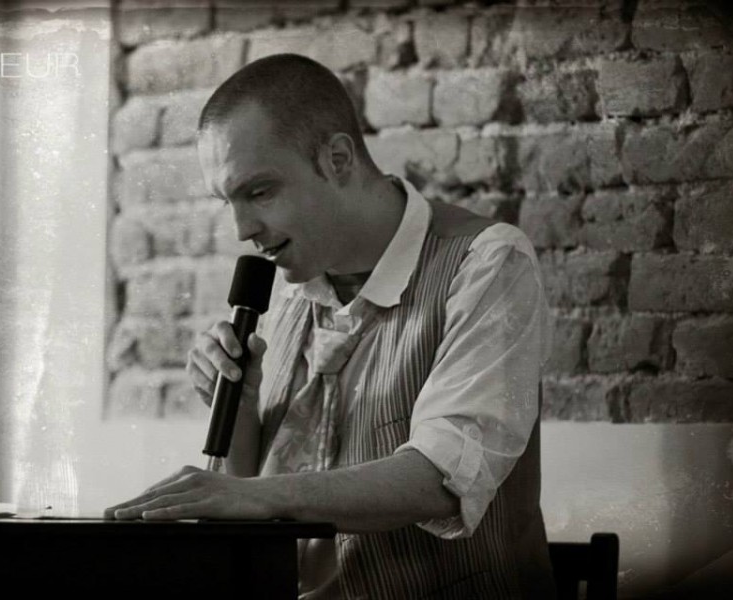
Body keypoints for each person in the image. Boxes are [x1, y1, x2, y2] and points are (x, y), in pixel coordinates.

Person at [105, 53, 557, 599]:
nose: (242, 229)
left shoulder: (487, 262)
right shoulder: (289, 284)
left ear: (338, 159)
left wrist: (253, 497)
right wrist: (242, 411)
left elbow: (442, 478)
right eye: (228, 202)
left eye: (259, 192)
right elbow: (255, 501)